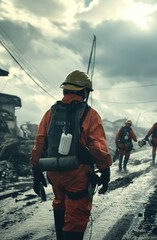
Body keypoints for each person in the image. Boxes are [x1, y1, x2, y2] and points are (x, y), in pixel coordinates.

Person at [30, 70, 112, 240]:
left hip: (54, 172)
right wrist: (105, 170)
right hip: (77, 173)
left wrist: (35, 170)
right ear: (84, 92)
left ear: (65, 91)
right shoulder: (90, 114)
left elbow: (39, 143)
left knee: (60, 203)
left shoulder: (50, 113)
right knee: (76, 216)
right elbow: (98, 147)